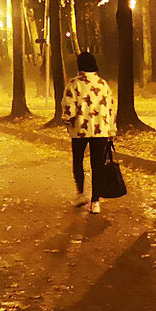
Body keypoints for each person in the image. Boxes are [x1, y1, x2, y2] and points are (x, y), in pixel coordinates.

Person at [61, 51, 117, 213]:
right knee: (97, 165)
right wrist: (111, 129)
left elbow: (68, 109)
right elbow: (110, 109)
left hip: (80, 130)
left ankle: (80, 193)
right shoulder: (103, 84)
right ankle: (95, 202)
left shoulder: (74, 84)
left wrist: (67, 120)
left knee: (77, 161)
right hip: (101, 131)